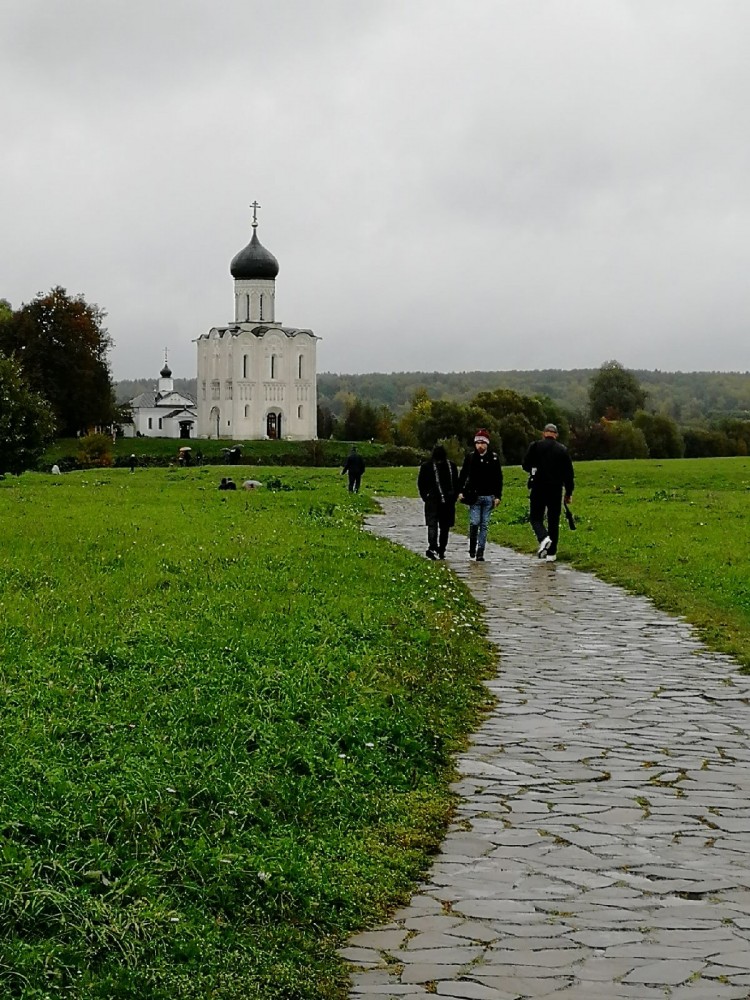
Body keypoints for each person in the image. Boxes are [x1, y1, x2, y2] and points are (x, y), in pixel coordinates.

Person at [522, 423, 574, 563]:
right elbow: (569, 474)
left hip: (538, 487)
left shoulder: (535, 446)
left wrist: (534, 468)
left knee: (535, 517)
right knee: (553, 520)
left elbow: (525, 465)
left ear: (544, 433)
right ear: (556, 435)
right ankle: (552, 554)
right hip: (555, 490)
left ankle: (543, 538)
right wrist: (568, 492)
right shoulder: (562, 450)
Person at [457, 429, 504, 562]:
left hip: (489, 497)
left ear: (487, 444)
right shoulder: (471, 458)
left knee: (484, 525)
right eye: (478, 443)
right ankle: (472, 545)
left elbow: (498, 478)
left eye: (482, 442)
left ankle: (480, 551)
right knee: (474, 522)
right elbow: (463, 475)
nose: (480, 445)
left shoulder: (493, 458)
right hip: (474, 496)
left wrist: (498, 496)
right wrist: (460, 491)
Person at [417, 444, 459, 560]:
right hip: (448, 501)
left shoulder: (426, 467)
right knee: (444, 527)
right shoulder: (452, 467)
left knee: (432, 525)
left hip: (432, 500)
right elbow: (456, 484)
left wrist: (425, 496)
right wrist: (454, 497)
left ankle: (432, 547)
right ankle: (441, 549)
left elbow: (421, 484)